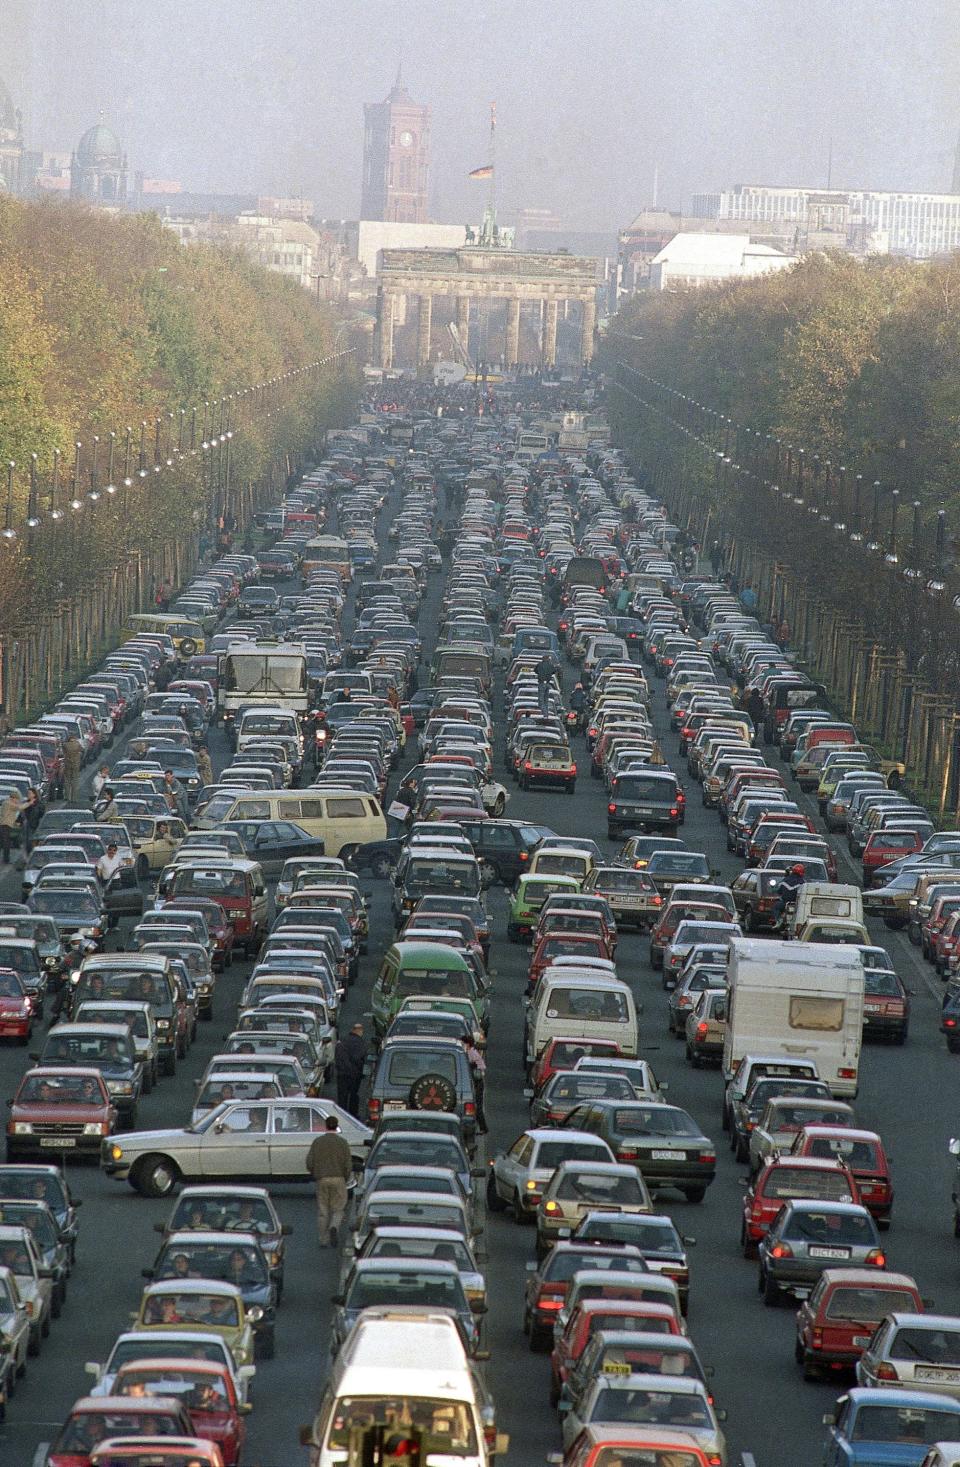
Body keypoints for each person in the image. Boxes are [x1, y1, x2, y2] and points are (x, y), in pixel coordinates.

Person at [305, 1114, 352, 1248]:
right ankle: (334, 1226)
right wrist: (345, 1177)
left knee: (323, 1210)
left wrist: (314, 1173)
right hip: (338, 1178)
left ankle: (323, 1239)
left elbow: (309, 1161)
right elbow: (348, 1164)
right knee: (338, 1208)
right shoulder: (343, 1143)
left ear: (326, 1125)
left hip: (322, 1178)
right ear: (337, 1126)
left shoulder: (318, 1142)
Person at [335, 1023, 368, 1115]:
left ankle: (341, 1114)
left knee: (342, 1097)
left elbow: (338, 1057)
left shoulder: (342, 1041)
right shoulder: (360, 1043)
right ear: (360, 1031)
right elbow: (361, 1058)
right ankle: (353, 1115)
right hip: (355, 1075)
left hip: (342, 1074)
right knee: (354, 1095)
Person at [461, 1034, 487, 1135]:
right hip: (477, 1082)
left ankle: (483, 1128)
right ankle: (482, 1127)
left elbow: (480, 1068)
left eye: (463, 1043)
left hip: (477, 1083)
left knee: (477, 1106)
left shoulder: (471, 1053)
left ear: (468, 1044)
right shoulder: (472, 1052)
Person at [0, 790, 22, 865]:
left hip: (5, 825)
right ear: (13, 798)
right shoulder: (9, 804)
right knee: (6, 843)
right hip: (5, 826)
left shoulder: (6, 803)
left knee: (5, 842)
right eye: (17, 799)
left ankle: (6, 859)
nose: (17, 801)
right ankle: (6, 859)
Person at [62, 734, 83, 804]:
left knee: (67, 781)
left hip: (67, 764)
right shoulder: (77, 744)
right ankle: (74, 798)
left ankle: (67, 796)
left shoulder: (65, 745)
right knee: (74, 781)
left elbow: (63, 752)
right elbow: (82, 749)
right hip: (76, 765)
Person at [535, 651, 555, 717]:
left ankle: (545, 713)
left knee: (540, 701)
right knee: (546, 700)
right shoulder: (551, 665)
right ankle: (546, 713)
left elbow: (535, 671)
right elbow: (554, 671)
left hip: (541, 683)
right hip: (548, 684)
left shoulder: (539, 665)